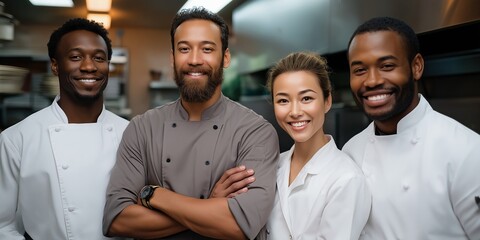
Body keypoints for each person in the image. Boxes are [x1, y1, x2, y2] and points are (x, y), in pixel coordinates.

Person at [102, 7, 279, 240]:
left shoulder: (255, 132)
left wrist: (154, 196)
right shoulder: (142, 128)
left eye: (207, 49)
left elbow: (240, 225)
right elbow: (117, 219)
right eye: (184, 49)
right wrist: (211, 205)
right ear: (172, 57)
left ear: (225, 57)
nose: (195, 60)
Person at [343, 16, 480, 239]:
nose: (371, 81)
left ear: (416, 67)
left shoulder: (467, 151)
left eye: (387, 66)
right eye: (359, 70)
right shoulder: (351, 151)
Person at [0, 18, 129, 239]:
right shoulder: (17, 138)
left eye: (99, 58)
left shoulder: (130, 133)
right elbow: (3, 226)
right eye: (75, 57)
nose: (89, 66)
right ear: (55, 65)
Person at [264, 52, 371, 239]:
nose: (295, 112)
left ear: (327, 101)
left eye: (306, 98)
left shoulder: (346, 178)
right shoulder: (272, 165)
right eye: (283, 100)